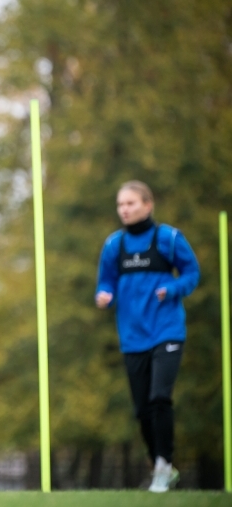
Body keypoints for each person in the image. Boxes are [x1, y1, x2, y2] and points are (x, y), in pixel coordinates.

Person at [95, 180, 200, 493]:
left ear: (147, 204)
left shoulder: (168, 239)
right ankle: (158, 463)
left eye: (130, 203)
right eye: (120, 205)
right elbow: (106, 283)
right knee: (142, 408)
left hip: (167, 330)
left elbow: (192, 273)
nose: (124, 209)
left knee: (159, 397)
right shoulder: (114, 246)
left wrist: (174, 289)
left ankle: (164, 465)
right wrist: (104, 296)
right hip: (132, 336)